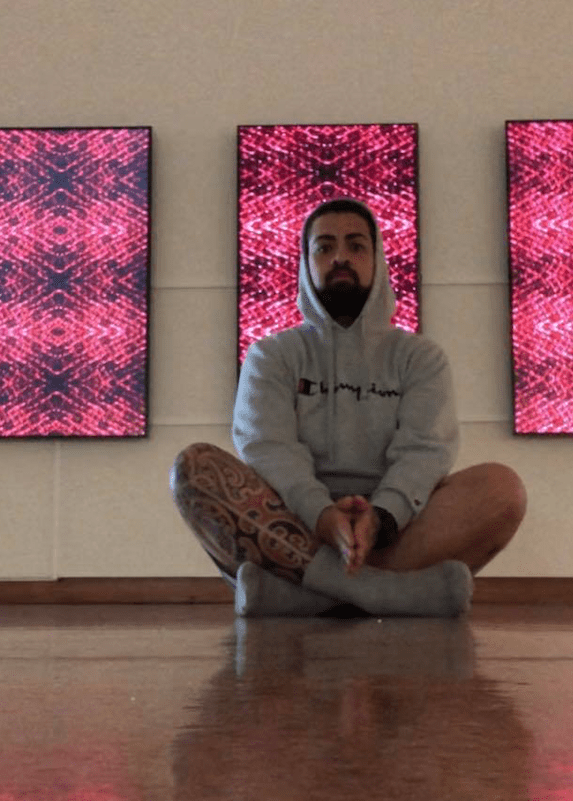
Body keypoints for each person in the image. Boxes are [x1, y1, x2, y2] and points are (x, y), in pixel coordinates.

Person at [171, 198, 526, 616]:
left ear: (378, 262)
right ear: (306, 264)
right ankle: (381, 591)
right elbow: (269, 448)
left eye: (356, 246)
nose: (340, 257)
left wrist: (379, 518)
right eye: (324, 247)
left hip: (392, 528)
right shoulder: (271, 355)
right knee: (194, 468)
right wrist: (321, 515)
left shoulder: (420, 357)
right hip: (293, 523)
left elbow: (425, 452)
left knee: (502, 489)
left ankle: (303, 595)